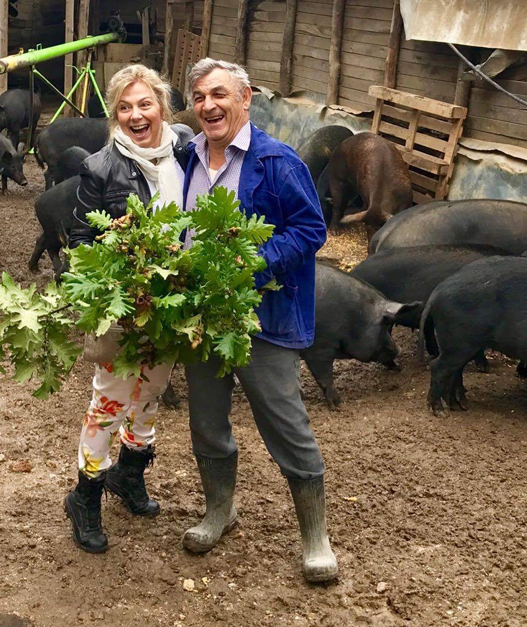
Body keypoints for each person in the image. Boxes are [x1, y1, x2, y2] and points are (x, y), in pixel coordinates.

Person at [181, 58, 338, 583]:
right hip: (201, 318)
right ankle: (219, 512)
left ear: (246, 99)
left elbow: (312, 229)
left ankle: (315, 537)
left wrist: (255, 259)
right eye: (201, 96)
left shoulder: (277, 162)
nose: (210, 106)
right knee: (206, 421)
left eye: (220, 94)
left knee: (285, 424)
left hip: (261, 319)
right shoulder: (188, 158)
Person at [64, 64, 190, 554]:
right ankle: (85, 495)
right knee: (111, 400)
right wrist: (112, 246)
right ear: (115, 114)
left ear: (162, 105)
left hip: (173, 302)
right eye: (125, 107)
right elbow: (78, 241)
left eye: (145, 103)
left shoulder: (183, 149)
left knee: (153, 391)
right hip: (123, 305)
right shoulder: (100, 167)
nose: (136, 115)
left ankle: (129, 474)